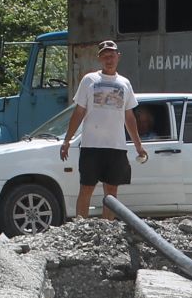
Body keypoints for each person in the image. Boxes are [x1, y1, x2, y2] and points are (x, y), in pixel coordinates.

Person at [58, 40, 149, 219]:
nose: (109, 59)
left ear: (118, 57)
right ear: (99, 58)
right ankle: (81, 226)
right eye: (105, 56)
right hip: (91, 145)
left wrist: (138, 146)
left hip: (116, 146)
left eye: (112, 55)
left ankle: (108, 229)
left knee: (112, 191)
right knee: (86, 187)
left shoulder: (125, 83)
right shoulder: (89, 80)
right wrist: (67, 140)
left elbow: (129, 117)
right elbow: (79, 112)